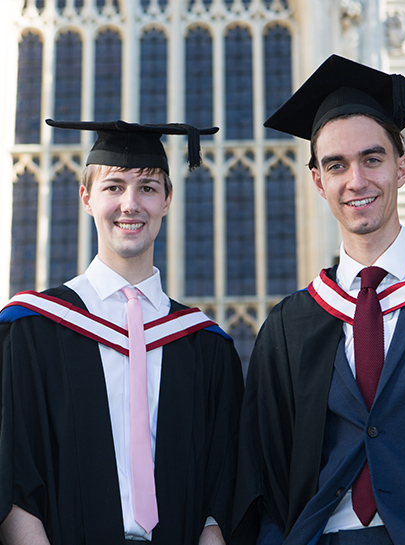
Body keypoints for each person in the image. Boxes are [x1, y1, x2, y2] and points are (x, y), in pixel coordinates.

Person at [231, 55, 405, 545]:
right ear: (319, 181)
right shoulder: (290, 325)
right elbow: (263, 476)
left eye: (372, 158)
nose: (356, 180)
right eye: (336, 165)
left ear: (402, 167)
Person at [0, 119, 244, 545]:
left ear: (167, 201)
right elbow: (12, 474)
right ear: (86, 198)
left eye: (148, 188)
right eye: (113, 187)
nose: (130, 204)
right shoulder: (33, 331)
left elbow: (224, 484)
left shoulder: (205, 346)